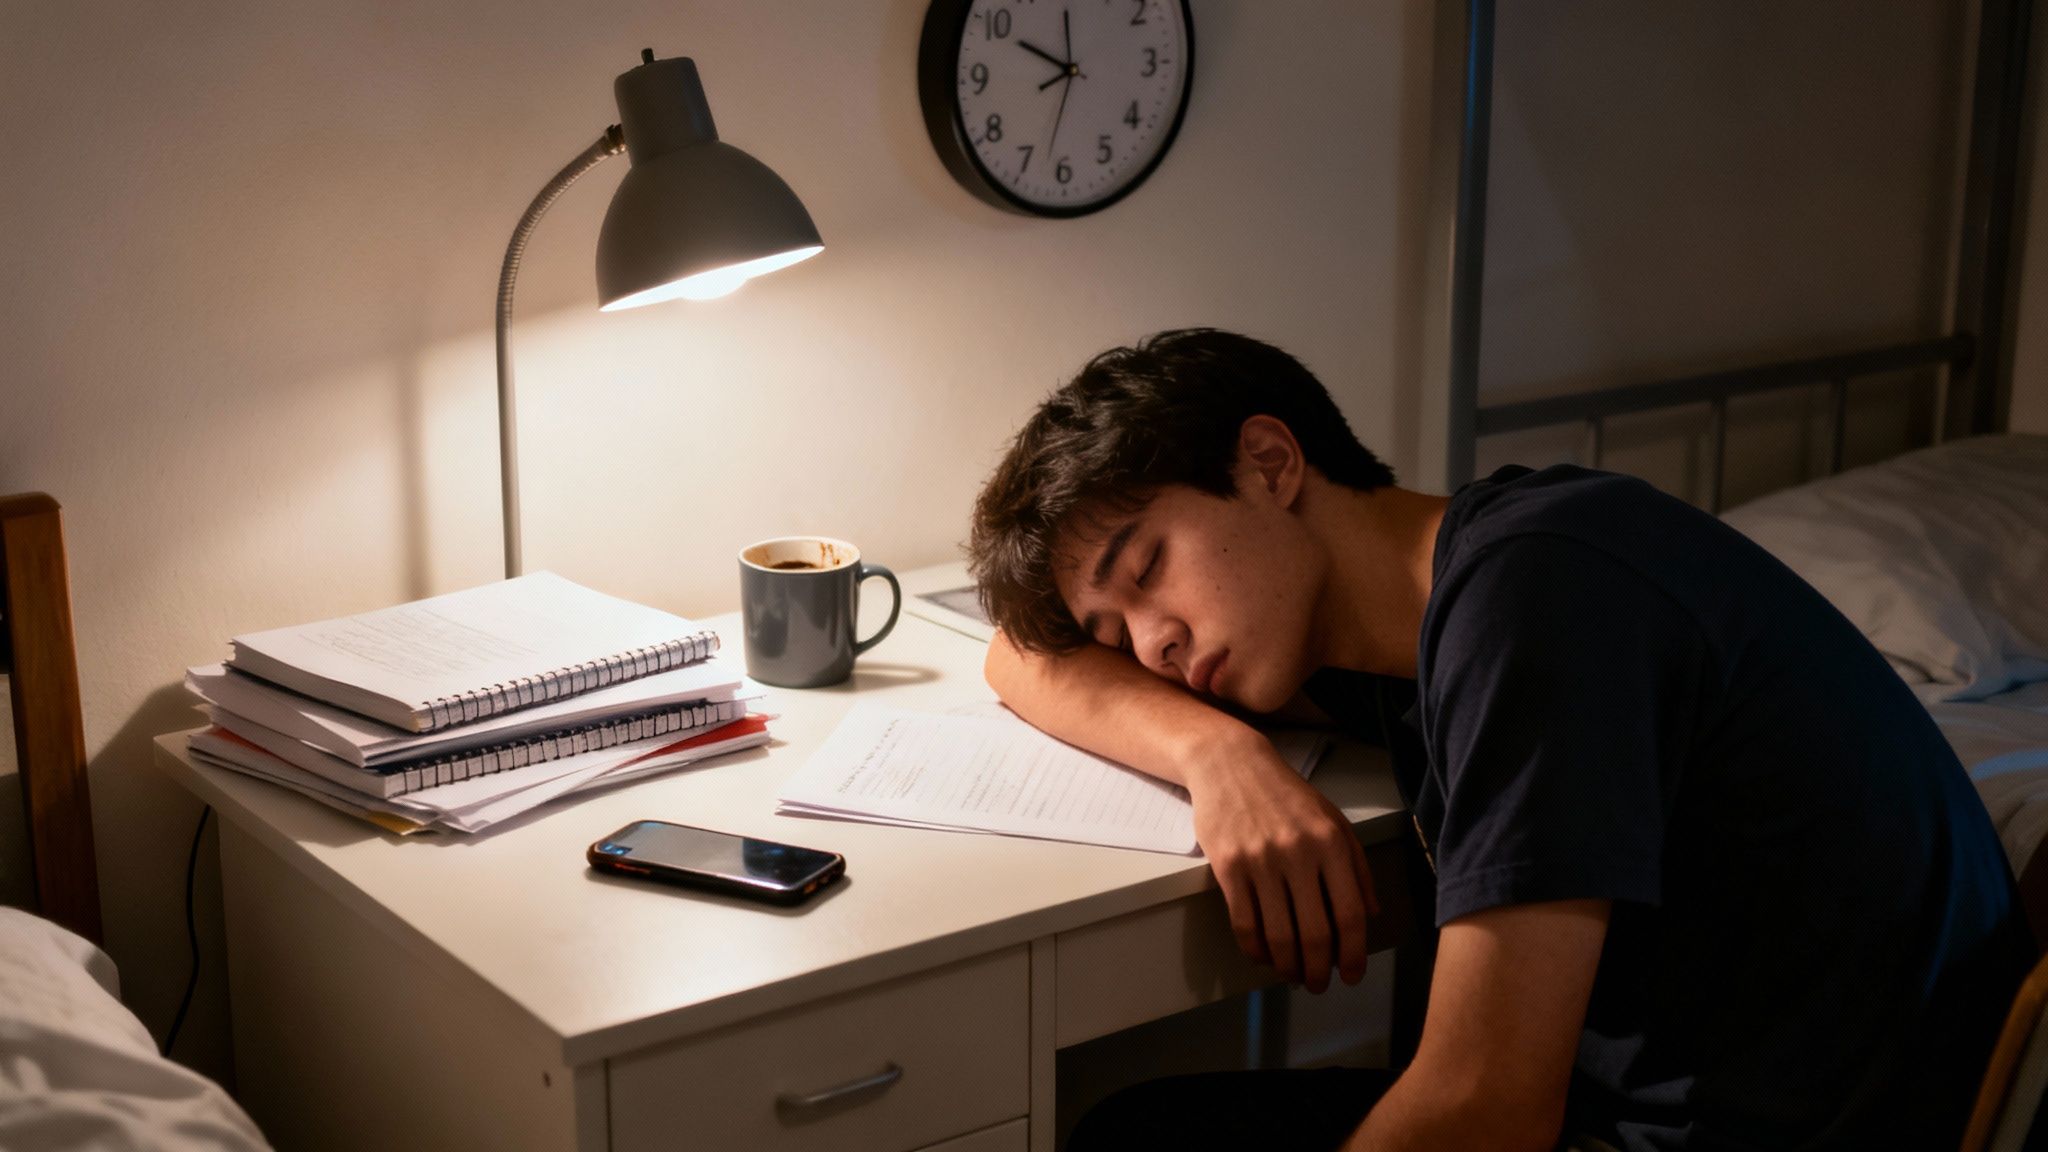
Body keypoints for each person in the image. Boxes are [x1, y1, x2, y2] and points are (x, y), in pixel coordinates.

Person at [966, 328, 2034, 1151]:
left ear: (1267, 461)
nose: (1151, 647)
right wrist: (1217, 757)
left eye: (1146, 569)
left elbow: (1486, 1108)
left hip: (1782, 1135)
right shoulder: (1407, 618)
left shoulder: (1538, 602)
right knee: (1137, 1131)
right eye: (1117, 629)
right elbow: (1018, 657)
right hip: (1678, 1109)